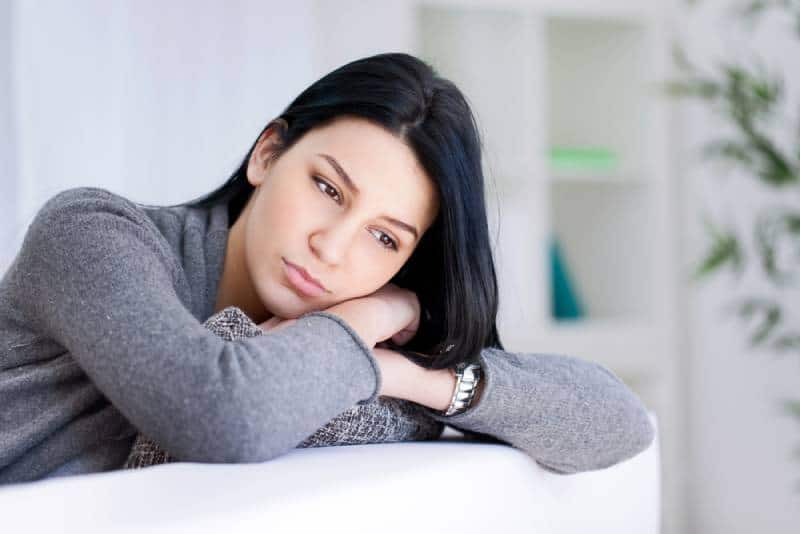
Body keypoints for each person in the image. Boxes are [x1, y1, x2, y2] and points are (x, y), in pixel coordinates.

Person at [0, 53, 654, 485]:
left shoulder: (326, 352)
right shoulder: (90, 232)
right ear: (267, 154)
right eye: (328, 188)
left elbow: (619, 423)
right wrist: (375, 313)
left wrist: (409, 374)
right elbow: (218, 410)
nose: (333, 248)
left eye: (384, 237)